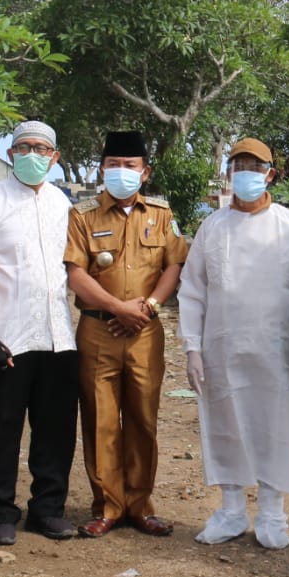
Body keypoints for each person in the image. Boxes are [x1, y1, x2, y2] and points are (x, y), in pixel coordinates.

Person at [178, 138, 289, 549]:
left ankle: (273, 512)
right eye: (238, 165)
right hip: (221, 345)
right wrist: (192, 346)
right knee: (224, 423)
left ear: (270, 174)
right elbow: (194, 289)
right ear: (229, 173)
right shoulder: (213, 226)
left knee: (273, 425)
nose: (246, 173)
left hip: (275, 346)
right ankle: (230, 509)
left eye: (254, 166)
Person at [65, 131, 189, 538]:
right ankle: (107, 505)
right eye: (113, 164)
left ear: (145, 171)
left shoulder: (161, 215)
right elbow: (75, 272)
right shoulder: (82, 216)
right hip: (98, 329)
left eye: (130, 165)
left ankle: (140, 504)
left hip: (145, 331)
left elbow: (173, 265)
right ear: (102, 169)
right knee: (100, 419)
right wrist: (118, 308)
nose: (121, 172)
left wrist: (149, 307)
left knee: (142, 418)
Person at [0, 120, 79, 546]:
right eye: (24, 147)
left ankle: (48, 509)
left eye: (42, 148)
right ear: (10, 154)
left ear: (55, 157)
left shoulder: (63, 205)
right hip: (5, 336)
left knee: (56, 429)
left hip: (57, 336)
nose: (33, 154)